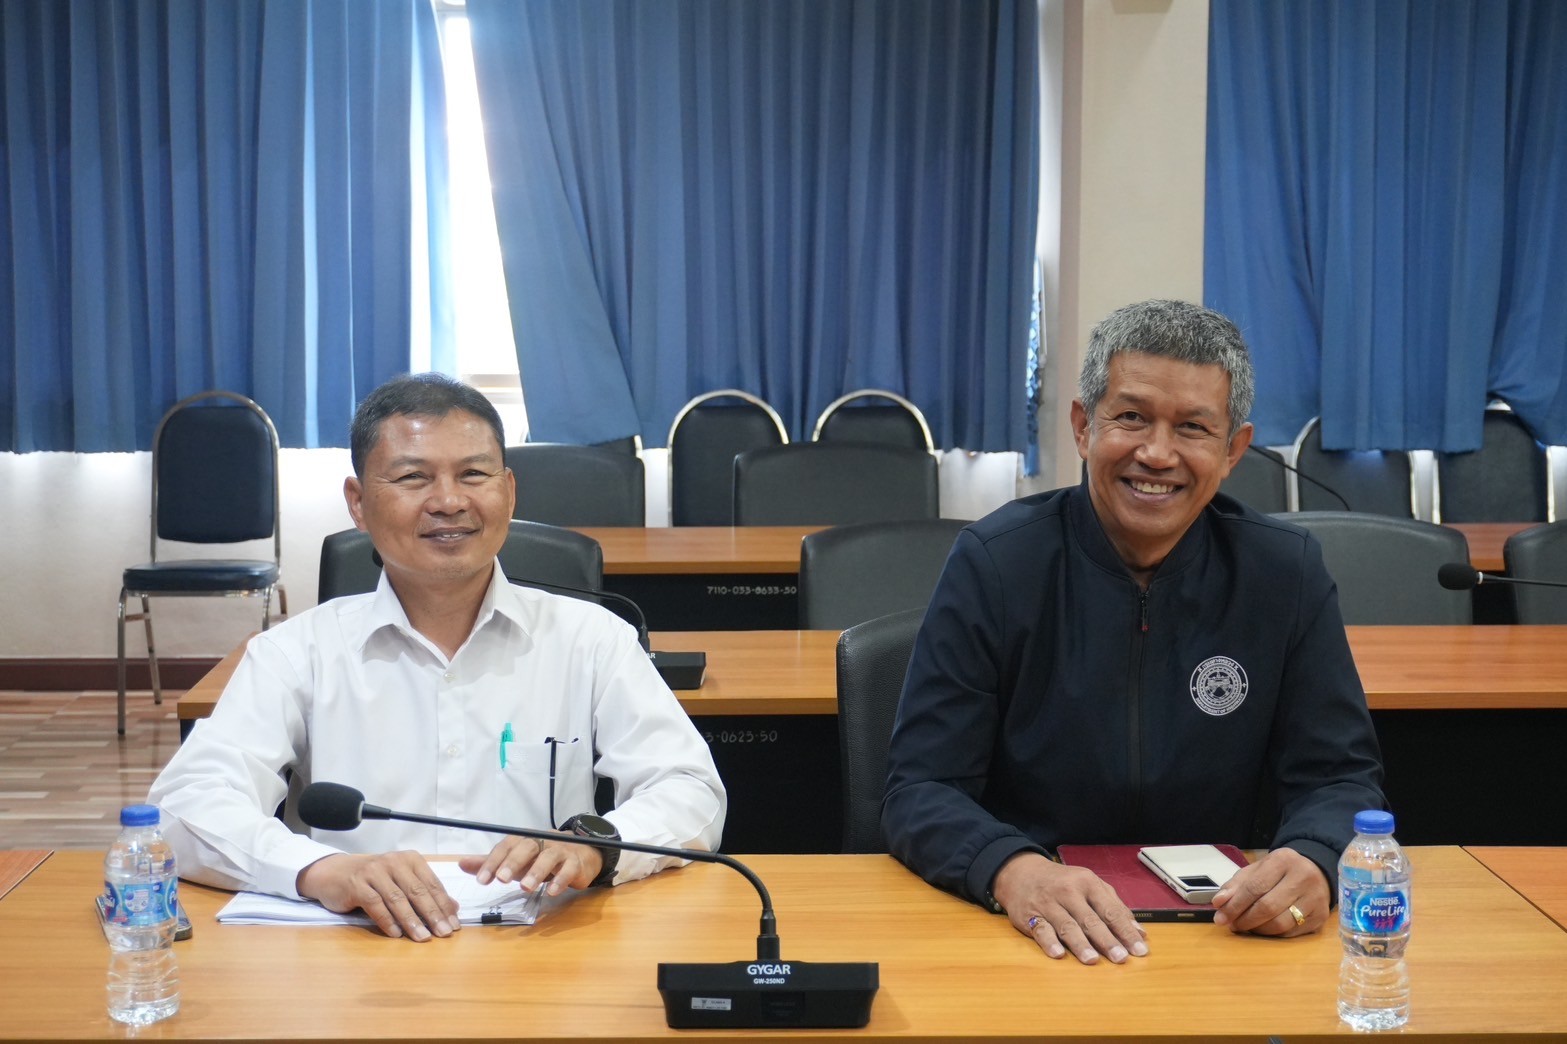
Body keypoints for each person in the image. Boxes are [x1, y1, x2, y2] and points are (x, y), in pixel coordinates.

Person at [882, 299, 1385, 966]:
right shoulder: (996, 564)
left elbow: (1339, 778)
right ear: (1082, 426)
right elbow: (921, 787)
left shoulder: (1282, 573)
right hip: (1034, 929)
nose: (1156, 453)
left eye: (1193, 428)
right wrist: (1010, 869)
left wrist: (1316, 858)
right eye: (1131, 418)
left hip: (1227, 932)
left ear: (1232, 451)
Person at [149, 373, 725, 942]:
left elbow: (689, 788)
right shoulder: (296, 653)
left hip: (539, 950)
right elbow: (185, 806)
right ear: (357, 503)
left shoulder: (592, 639)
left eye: (473, 474)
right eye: (413, 477)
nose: (449, 502)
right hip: (354, 951)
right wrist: (319, 869)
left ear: (509, 491)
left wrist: (595, 844)